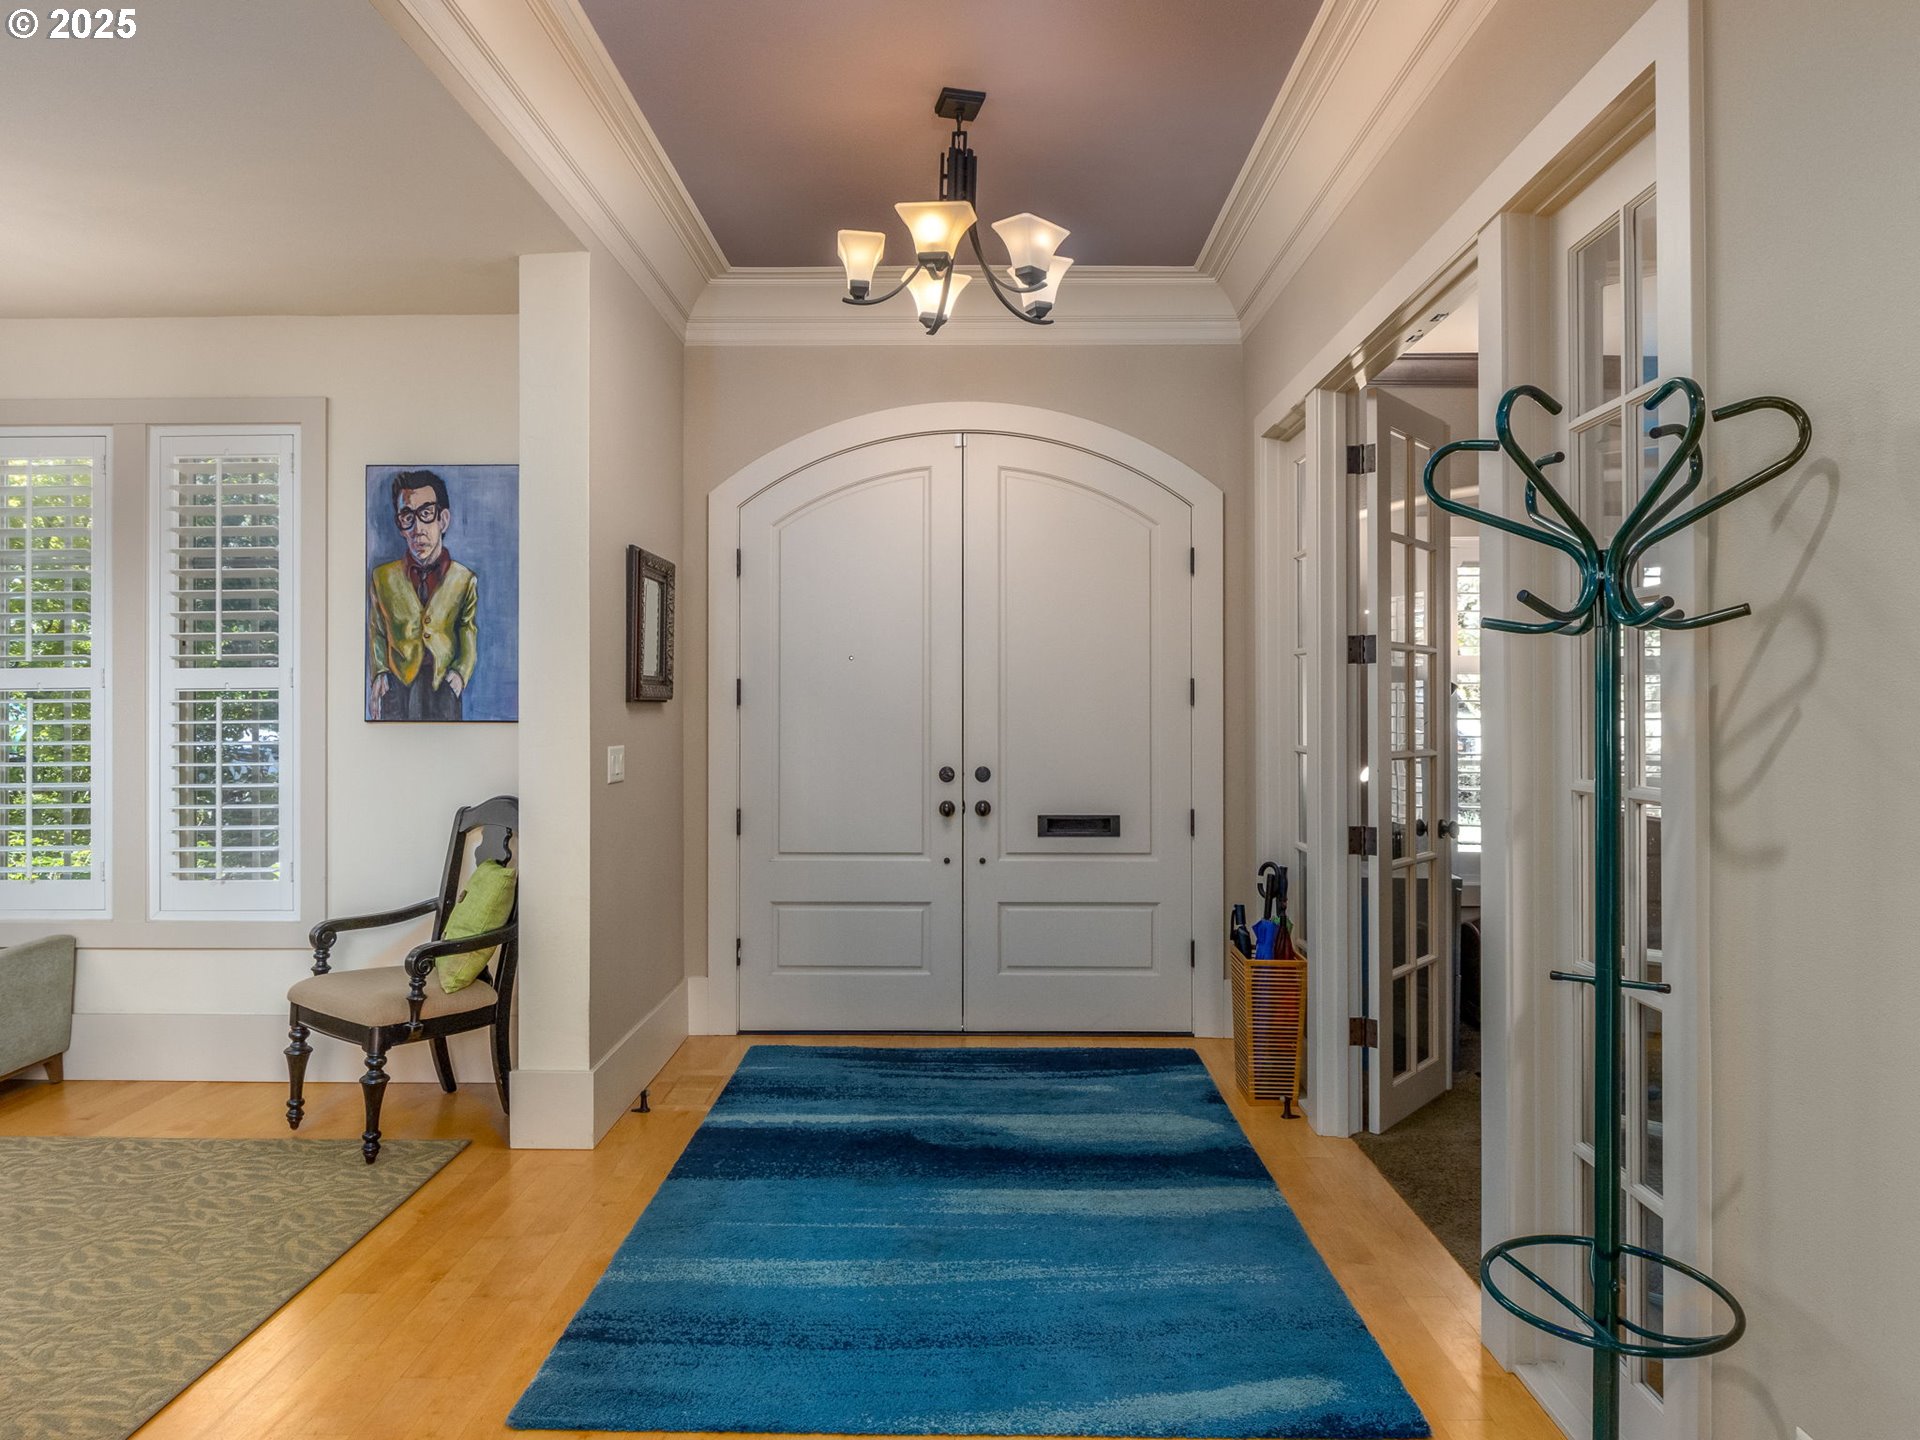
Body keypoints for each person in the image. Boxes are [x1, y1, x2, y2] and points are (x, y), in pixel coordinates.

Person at [367, 469, 479, 721]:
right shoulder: (382, 578)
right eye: (408, 517)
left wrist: (460, 673)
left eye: (426, 514)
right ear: (400, 526)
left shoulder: (464, 579)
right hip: (397, 684)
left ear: (443, 520)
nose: (418, 529)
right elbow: (377, 630)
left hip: (443, 685)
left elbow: (468, 630)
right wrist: (379, 672)